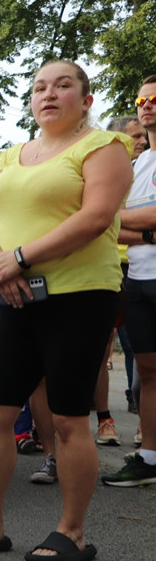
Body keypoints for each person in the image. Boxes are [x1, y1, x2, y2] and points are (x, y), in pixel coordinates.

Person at [0, 61, 133, 561]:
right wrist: (0, 265)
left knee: (68, 418)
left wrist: (20, 257)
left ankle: (73, 530)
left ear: (85, 99)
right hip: (17, 295)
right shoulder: (10, 155)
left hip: (81, 295)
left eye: (63, 85)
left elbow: (95, 217)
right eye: (40, 87)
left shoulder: (104, 147)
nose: (49, 94)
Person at [105, 74, 156, 487]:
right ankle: (150, 456)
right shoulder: (137, 165)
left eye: (154, 98)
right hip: (137, 278)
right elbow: (106, 222)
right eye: (142, 99)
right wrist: (149, 233)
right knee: (148, 370)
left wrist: (125, 223)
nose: (146, 104)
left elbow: (112, 219)